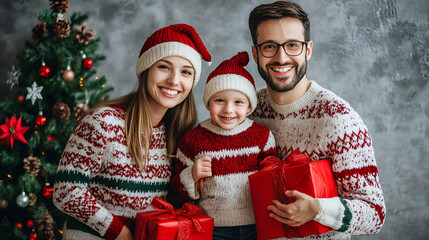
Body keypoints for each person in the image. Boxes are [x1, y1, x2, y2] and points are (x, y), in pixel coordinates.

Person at [53, 24, 211, 240]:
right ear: (146, 70)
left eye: (186, 72)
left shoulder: (177, 133)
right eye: (164, 67)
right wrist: (118, 232)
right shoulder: (104, 122)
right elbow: (66, 191)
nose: (174, 80)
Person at [247, 1, 386, 239]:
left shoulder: (339, 119)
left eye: (292, 45)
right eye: (269, 46)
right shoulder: (248, 109)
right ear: (256, 53)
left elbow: (374, 215)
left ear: (307, 50)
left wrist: (318, 210)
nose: (281, 58)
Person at [171, 51, 277, 240]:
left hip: (257, 224)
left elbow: (272, 174)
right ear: (208, 103)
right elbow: (175, 189)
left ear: (249, 106)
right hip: (213, 227)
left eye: (238, 102)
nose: (228, 109)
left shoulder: (261, 136)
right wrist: (192, 174)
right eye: (219, 100)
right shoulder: (193, 139)